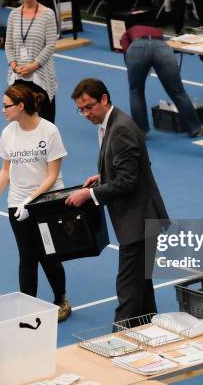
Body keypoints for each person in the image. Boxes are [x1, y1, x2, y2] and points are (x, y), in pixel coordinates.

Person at [65, 78, 170, 323]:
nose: (85, 114)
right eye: (80, 110)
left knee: (128, 290)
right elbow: (134, 167)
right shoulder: (109, 124)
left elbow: (127, 182)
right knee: (141, 287)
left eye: (89, 107)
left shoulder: (120, 128)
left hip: (139, 221)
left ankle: (119, 344)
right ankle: (149, 333)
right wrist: (104, 176)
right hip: (140, 218)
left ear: (104, 99)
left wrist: (89, 194)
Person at [0, 83, 71, 322]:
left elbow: (52, 175)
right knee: (27, 255)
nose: (2, 110)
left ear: (21, 106)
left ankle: (61, 299)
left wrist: (30, 201)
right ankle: (27, 304)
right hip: (18, 201)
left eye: (6, 106)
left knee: (49, 254)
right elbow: (6, 169)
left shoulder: (49, 131)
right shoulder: (8, 133)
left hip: (46, 201)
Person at [120, 25, 203, 137]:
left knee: (136, 91)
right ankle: (196, 128)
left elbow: (125, 46)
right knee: (178, 92)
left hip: (137, 48)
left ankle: (140, 132)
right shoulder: (158, 31)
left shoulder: (129, 31)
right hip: (162, 47)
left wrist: (131, 64)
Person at [5, 0, 58, 123]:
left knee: (45, 122)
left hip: (41, 77)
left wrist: (33, 66)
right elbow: (8, 45)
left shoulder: (48, 14)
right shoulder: (13, 15)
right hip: (18, 76)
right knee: (19, 122)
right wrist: (14, 66)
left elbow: (50, 45)